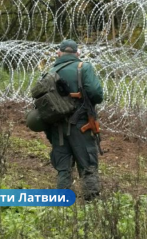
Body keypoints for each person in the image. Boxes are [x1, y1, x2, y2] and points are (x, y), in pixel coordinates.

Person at [45, 39, 103, 201]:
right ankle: (91, 202)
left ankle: (62, 204)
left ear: (59, 53)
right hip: (81, 125)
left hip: (57, 127)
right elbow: (97, 94)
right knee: (88, 165)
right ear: (77, 53)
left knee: (63, 168)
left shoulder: (51, 71)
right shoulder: (83, 68)